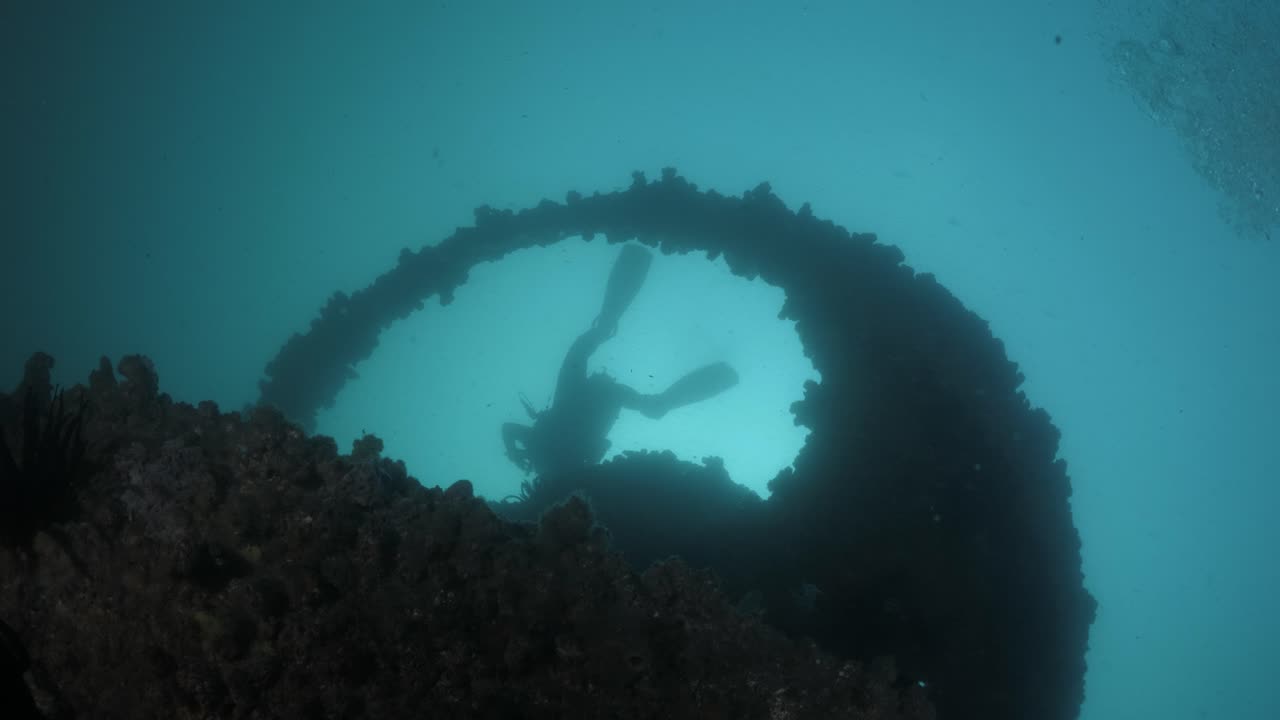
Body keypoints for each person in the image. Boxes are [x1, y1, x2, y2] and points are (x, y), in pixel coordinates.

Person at [502, 244, 739, 478]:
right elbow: (511, 430)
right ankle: (622, 290)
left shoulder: (555, 444)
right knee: (650, 402)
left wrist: (515, 453)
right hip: (583, 404)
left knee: (648, 400)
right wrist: (514, 452)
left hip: (576, 404)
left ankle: (720, 376)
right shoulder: (560, 443)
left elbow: (511, 429)